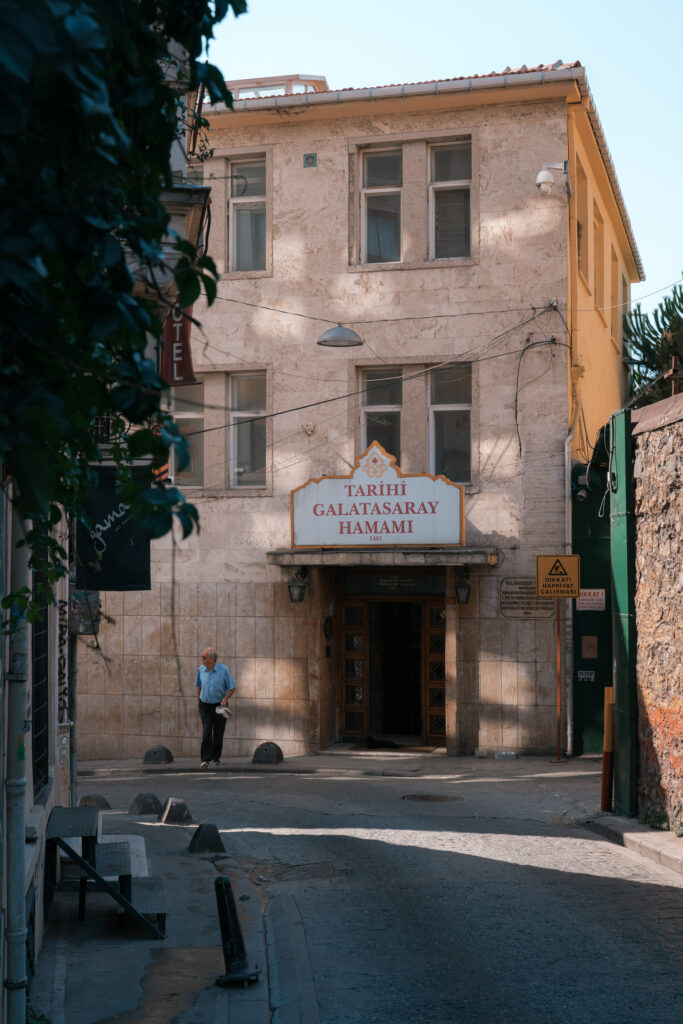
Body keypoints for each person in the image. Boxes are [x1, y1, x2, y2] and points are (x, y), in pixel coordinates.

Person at [195, 647, 236, 768]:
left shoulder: (223, 670)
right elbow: (198, 686)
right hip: (205, 705)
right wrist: (198, 702)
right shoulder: (201, 670)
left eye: (204, 657)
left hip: (219, 705)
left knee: (218, 732)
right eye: (202, 657)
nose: (202, 659)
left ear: (212, 659)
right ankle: (205, 760)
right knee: (206, 731)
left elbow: (232, 688)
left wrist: (225, 699)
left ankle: (216, 758)